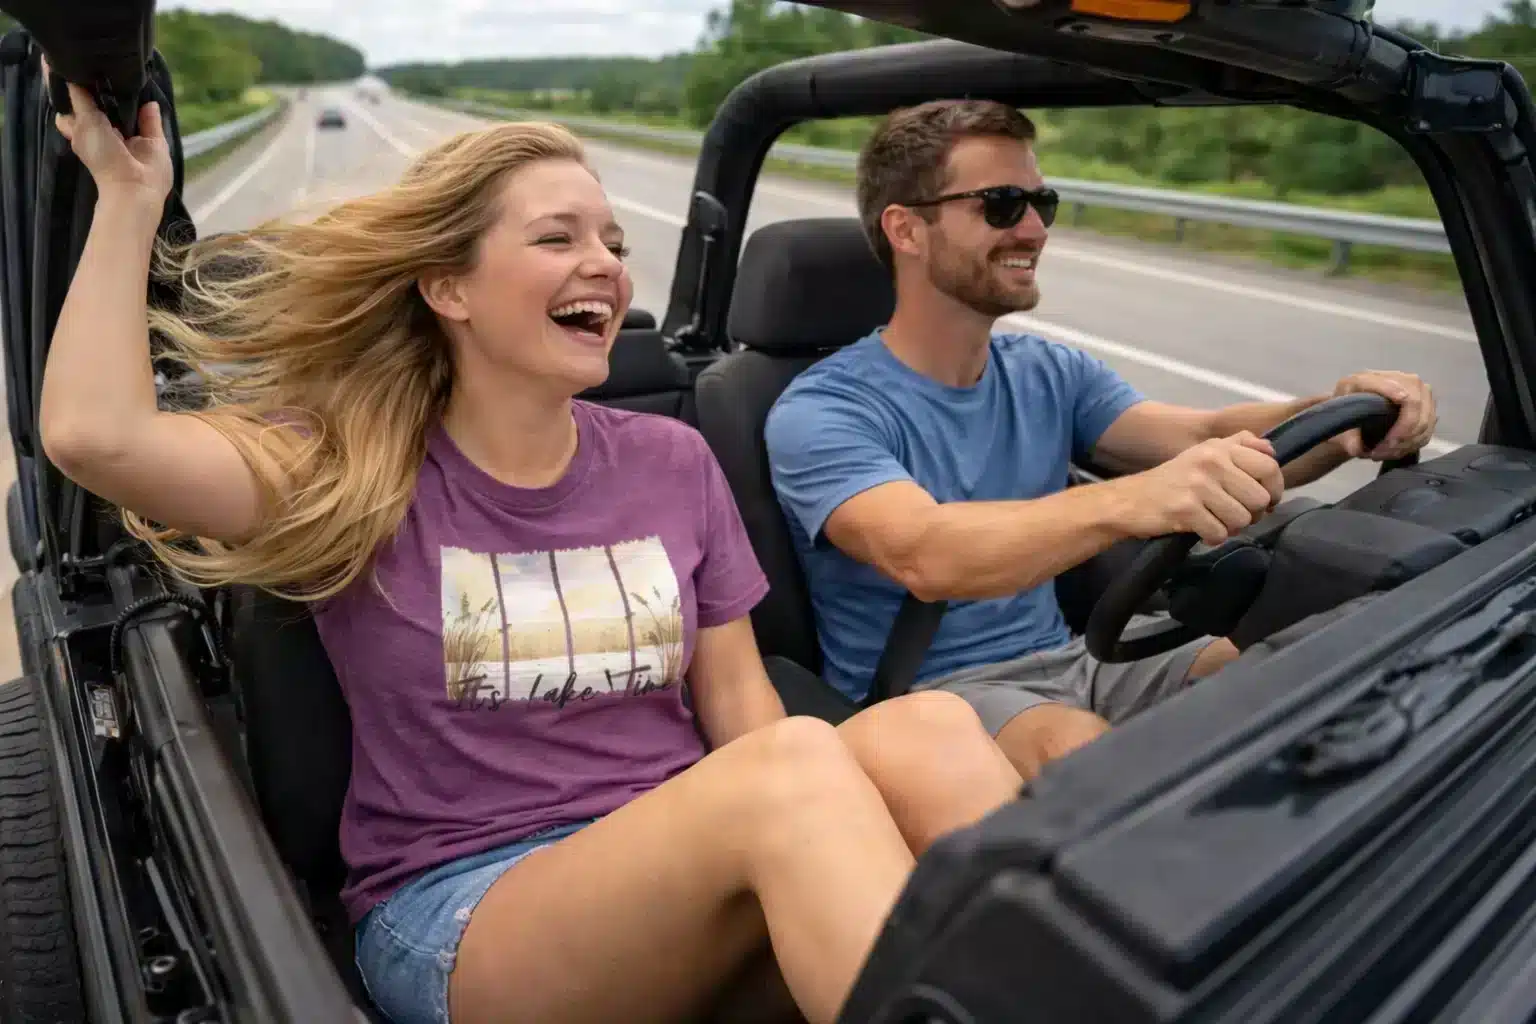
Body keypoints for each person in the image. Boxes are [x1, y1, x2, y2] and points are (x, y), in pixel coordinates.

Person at [39, 81, 1027, 1024]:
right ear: (448, 286)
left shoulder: (672, 460)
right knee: (796, 775)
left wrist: (821, 833)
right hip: (467, 908)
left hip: (691, 857)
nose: (603, 261)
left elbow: (740, 707)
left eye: (612, 240)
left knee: (930, 729)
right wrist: (130, 199)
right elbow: (96, 436)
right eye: (556, 238)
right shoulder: (348, 463)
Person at [764, 98, 1439, 783]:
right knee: (1092, 759)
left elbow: (1201, 435)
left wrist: (1344, 418)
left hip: (1078, 659)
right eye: (1001, 205)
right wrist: (1137, 501)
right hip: (934, 698)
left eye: (1041, 202)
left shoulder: (1047, 370)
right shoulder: (824, 409)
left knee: (1304, 674)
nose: (1033, 228)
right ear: (907, 230)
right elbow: (926, 553)